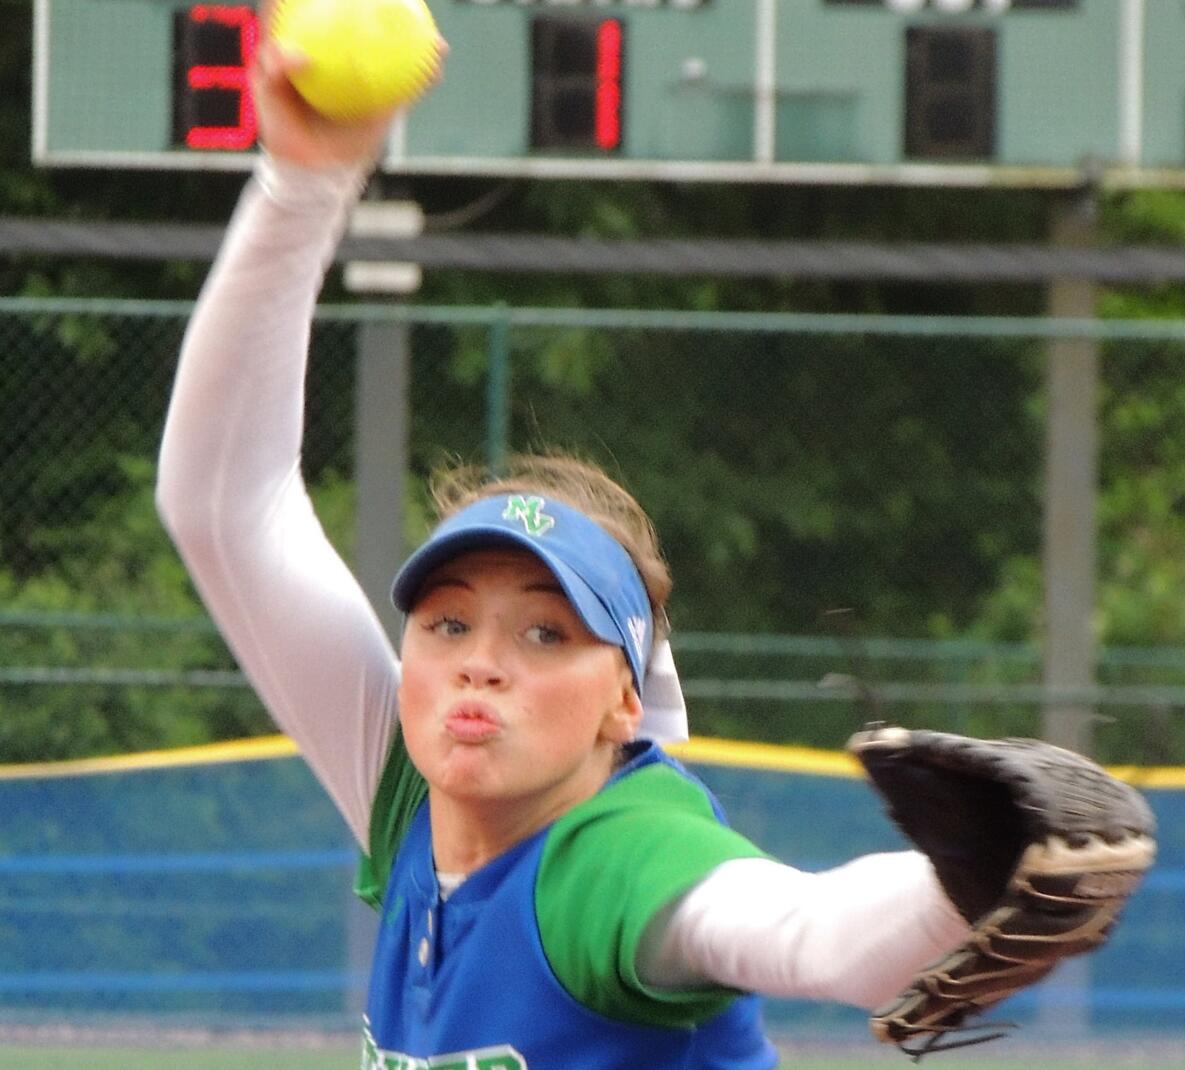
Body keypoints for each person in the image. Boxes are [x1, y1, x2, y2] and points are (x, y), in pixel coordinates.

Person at [156, 13, 971, 1068]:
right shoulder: (415, 791)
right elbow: (223, 505)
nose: (479, 662)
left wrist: (964, 873)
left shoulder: (610, 855)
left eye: (546, 634)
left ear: (622, 701)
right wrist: (303, 183)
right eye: (446, 622)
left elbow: (801, 928)